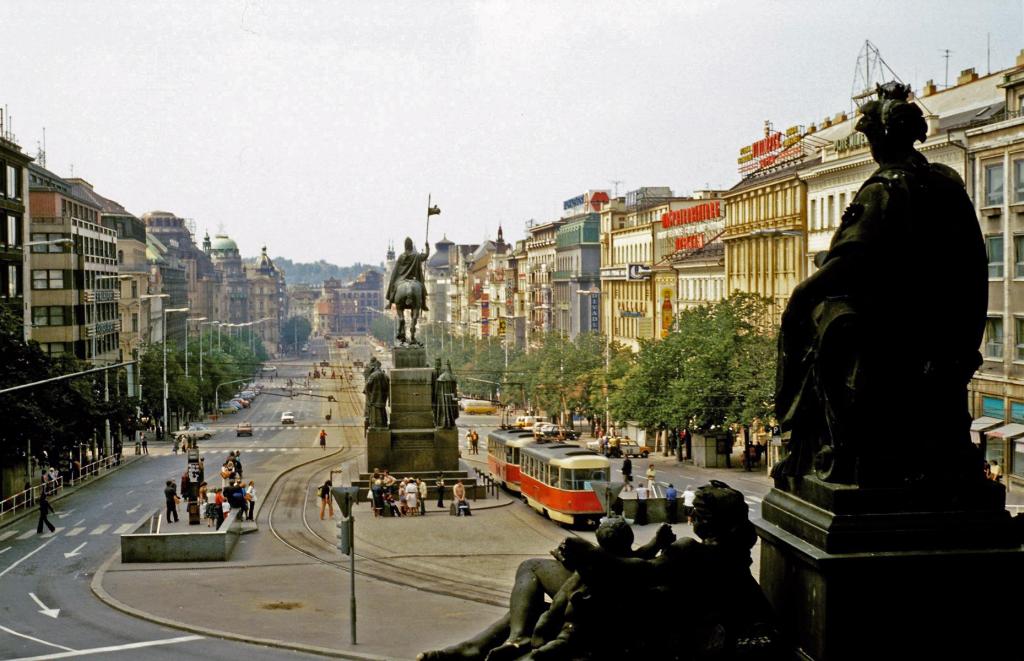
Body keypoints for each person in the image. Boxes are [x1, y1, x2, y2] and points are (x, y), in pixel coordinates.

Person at [418, 518, 676, 661]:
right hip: (597, 594)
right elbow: (636, 560)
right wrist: (656, 542)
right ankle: (476, 646)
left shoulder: (605, 567)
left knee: (530, 571)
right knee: (522, 609)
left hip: (596, 613)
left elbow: (561, 603)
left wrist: (582, 561)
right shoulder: (627, 561)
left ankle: (503, 641)